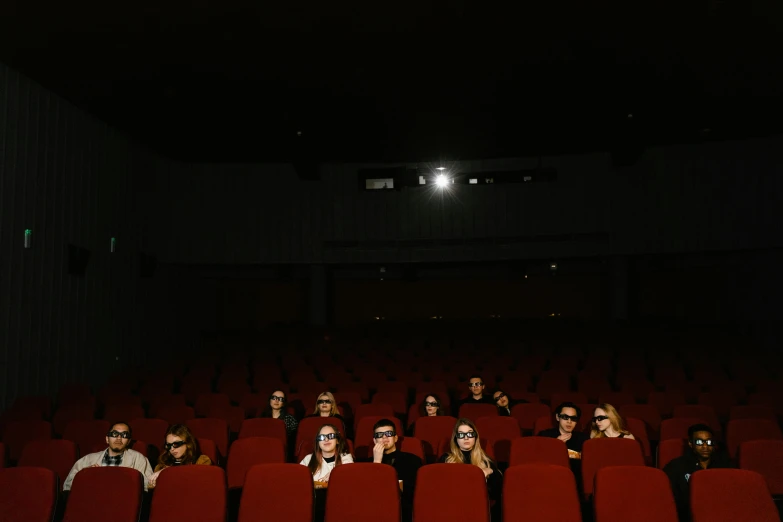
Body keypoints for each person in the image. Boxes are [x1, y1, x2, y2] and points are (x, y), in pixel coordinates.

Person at [663, 424, 732, 522]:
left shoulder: (724, 465)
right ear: (691, 444)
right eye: (699, 442)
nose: (705, 446)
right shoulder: (676, 466)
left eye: (709, 442)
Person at [63, 421, 153, 491]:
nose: (119, 438)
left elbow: (146, 487)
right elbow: (68, 486)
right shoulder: (87, 460)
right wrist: (85, 475)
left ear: (128, 441)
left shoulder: (139, 459)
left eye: (124, 435)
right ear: (107, 439)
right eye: (114, 434)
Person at [438, 418, 502, 505]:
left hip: (478, 504)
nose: (466, 437)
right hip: (453, 502)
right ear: (456, 439)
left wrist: (489, 471)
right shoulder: (445, 459)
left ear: (475, 437)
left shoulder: (486, 460)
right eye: (461, 434)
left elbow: (497, 492)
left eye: (470, 433)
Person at [368, 419, 422, 522]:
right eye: (379, 435)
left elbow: (409, 491)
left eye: (388, 433)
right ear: (374, 441)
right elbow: (370, 493)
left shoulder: (412, 460)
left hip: (404, 512)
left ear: (396, 438)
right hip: (376, 511)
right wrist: (377, 462)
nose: (384, 437)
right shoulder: (366, 464)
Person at [300, 424, 354, 522]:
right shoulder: (308, 460)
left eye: (330, 436)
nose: (326, 440)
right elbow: (299, 484)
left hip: (338, 505)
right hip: (313, 506)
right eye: (322, 437)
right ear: (318, 442)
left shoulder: (346, 459)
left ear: (337, 440)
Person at [147, 424, 212, 489]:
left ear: (188, 443)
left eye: (176, 444)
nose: (172, 449)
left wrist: (166, 472)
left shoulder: (202, 460)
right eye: (169, 445)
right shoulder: (161, 465)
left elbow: (199, 486)